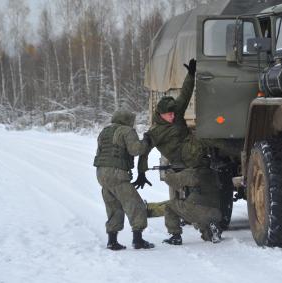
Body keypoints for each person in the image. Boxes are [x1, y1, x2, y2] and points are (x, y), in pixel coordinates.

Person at [134, 59, 222, 245]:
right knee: (176, 199)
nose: (173, 116)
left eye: (174, 113)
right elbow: (144, 151)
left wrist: (191, 75)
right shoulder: (155, 132)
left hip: (194, 159)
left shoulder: (177, 113)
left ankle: (206, 229)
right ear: (160, 114)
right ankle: (178, 232)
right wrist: (141, 171)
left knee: (193, 199)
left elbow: (185, 94)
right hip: (181, 162)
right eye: (169, 115)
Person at [94, 110, 154, 250]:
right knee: (135, 205)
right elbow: (136, 150)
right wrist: (146, 141)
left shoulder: (105, 131)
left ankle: (112, 241)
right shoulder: (127, 131)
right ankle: (138, 240)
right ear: (127, 120)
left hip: (101, 173)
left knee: (113, 206)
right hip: (117, 173)